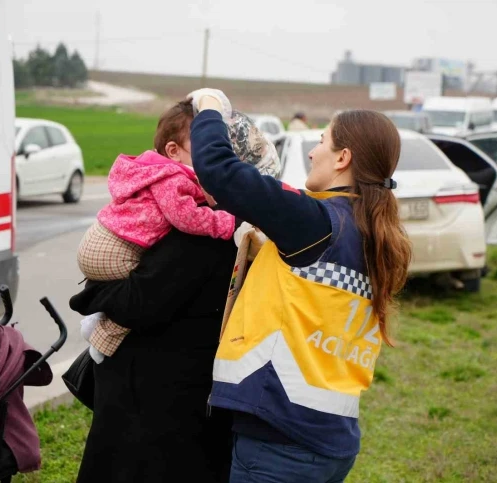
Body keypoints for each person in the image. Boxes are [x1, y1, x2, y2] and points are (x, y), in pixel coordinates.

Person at [190, 90, 412, 482]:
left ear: (343, 158)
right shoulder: (371, 235)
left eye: (322, 142)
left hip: (280, 442)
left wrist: (209, 107)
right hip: (329, 441)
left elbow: (219, 170)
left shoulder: (314, 223)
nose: (312, 152)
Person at [69, 98, 281, 483]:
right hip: (199, 393)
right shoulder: (253, 231)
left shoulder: (205, 233)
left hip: (153, 403)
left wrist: (92, 295)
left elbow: (139, 304)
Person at [75, 99, 236, 364]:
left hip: (101, 239)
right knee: (146, 294)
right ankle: (102, 334)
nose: (213, 153)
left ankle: (97, 317)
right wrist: (225, 222)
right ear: (173, 150)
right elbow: (187, 218)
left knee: (134, 289)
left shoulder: (155, 172)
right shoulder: (172, 178)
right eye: (205, 146)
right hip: (114, 251)